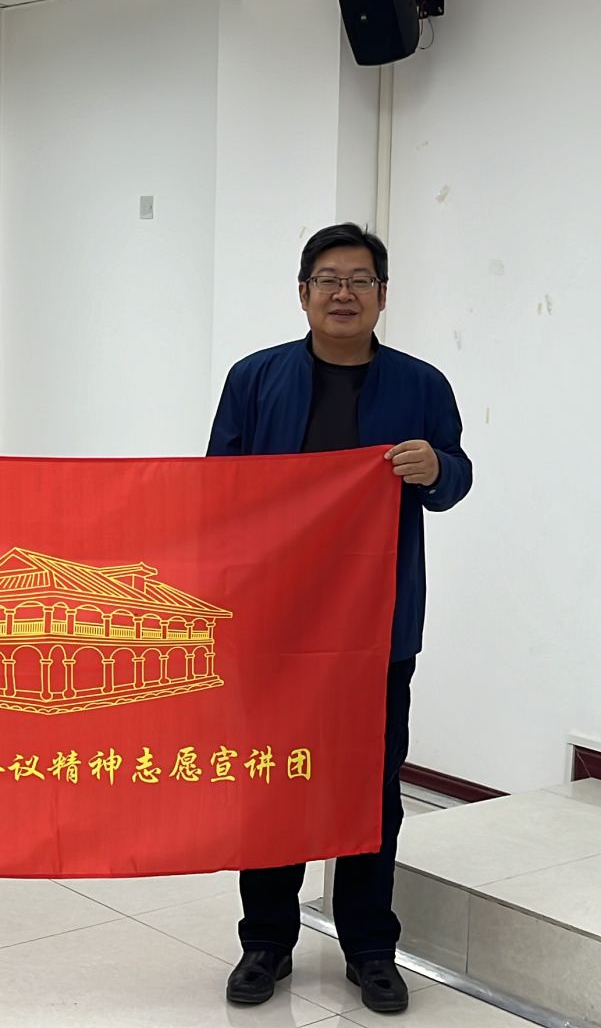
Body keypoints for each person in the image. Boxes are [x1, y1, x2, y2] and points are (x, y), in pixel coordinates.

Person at [208, 223, 473, 1015]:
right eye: (329, 279)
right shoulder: (255, 378)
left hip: (374, 626)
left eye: (360, 280)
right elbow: (217, 488)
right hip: (276, 624)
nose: (344, 294)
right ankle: (266, 942)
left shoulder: (420, 384)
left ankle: (369, 948)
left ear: (383, 295)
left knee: (371, 788)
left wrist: (437, 468)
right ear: (303, 293)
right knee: (272, 781)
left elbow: (455, 477)